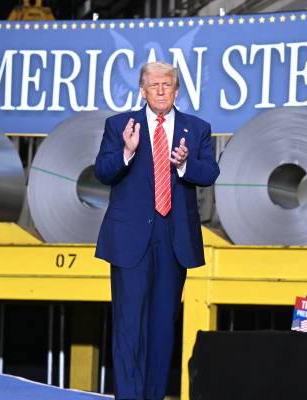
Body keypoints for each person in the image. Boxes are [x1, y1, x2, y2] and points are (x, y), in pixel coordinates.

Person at [94, 61, 219, 400]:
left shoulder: (197, 128)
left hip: (174, 239)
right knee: (128, 326)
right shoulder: (120, 125)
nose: (161, 91)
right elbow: (102, 171)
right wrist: (126, 151)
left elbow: (209, 173)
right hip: (130, 239)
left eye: (167, 85)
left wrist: (185, 164)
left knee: (163, 327)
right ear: (142, 90)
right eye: (154, 85)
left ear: (177, 91)